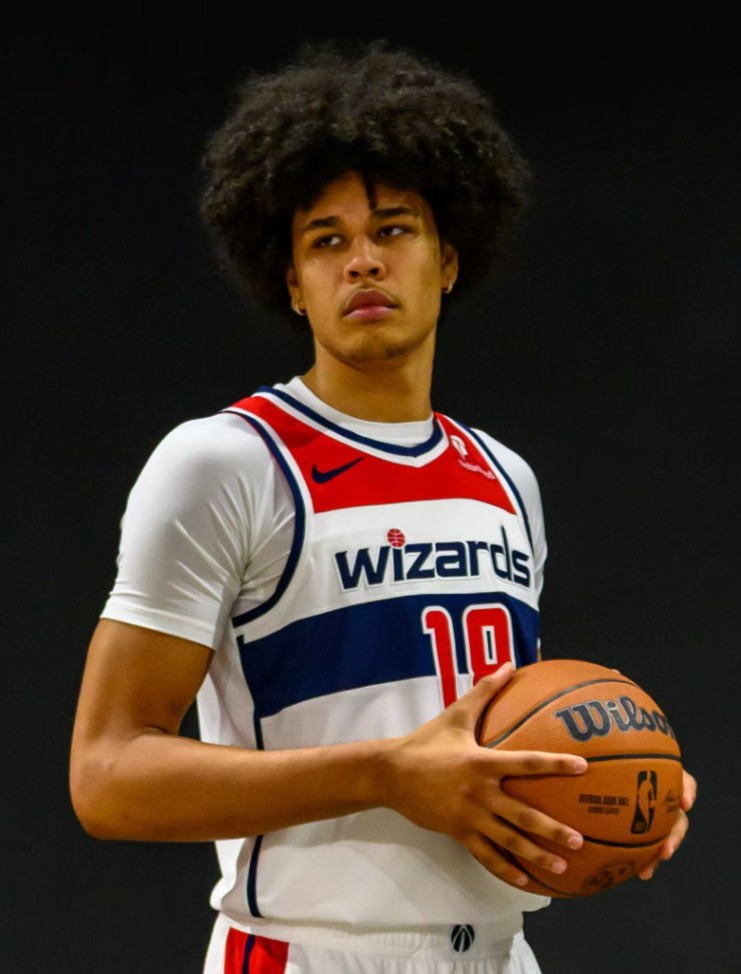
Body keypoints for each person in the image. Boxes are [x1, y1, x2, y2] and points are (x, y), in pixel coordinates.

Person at [69, 41, 696, 974]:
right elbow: (107, 776)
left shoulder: (505, 479)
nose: (361, 261)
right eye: (326, 241)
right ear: (291, 283)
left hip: (500, 953)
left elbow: (495, 737)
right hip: (307, 953)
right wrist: (381, 774)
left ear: (448, 260)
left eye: (393, 230)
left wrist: (615, 780)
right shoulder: (227, 463)